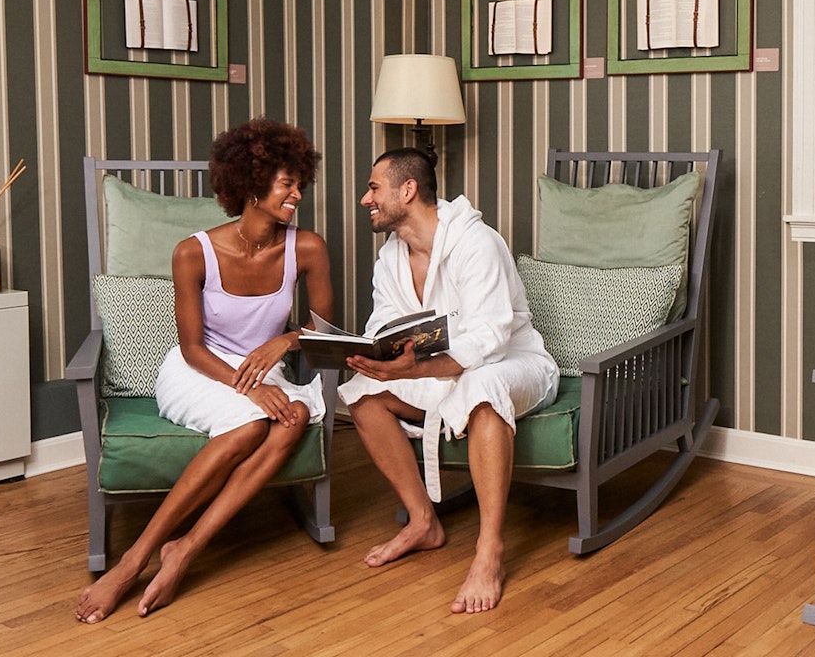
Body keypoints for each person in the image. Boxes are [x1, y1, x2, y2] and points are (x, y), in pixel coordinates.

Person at [76, 118, 334, 624]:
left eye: (299, 183)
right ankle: (133, 562)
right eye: (287, 184)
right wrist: (251, 392)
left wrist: (284, 340)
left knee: (295, 416)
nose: (297, 195)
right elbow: (192, 348)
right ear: (251, 184)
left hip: (261, 368)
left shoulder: (308, 248)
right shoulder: (193, 252)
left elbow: (323, 329)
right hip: (199, 369)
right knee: (253, 422)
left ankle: (186, 549)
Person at [340, 147, 559, 614]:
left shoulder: (477, 243)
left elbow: (490, 338)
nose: (365, 199)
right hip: (437, 375)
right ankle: (424, 522)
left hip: (514, 366)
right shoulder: (391, 257)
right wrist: (376, 356)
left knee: (482, 387)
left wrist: (414, 367)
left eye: (374, 188)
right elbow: (383, 323)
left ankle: (490, 548)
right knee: (361, 393)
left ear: (409, 189)